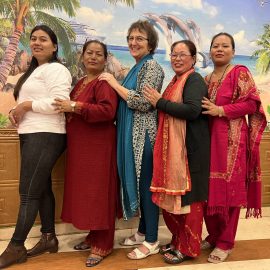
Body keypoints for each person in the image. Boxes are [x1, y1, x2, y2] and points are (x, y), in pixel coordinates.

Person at [0, 25, 72, 269]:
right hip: (33, 133)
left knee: (28, 191)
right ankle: (49, 238)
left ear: (54, 46)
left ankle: (16, 246)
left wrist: (26, 105)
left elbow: (58, 103)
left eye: (44, 39)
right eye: (33, 39)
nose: (37, 42)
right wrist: (16, 109)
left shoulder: (57, 69)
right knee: (40, 189)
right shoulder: (34, 71)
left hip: (47, 134)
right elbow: (25, 103)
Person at [98, 20, 164, 259]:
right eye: (131, 38)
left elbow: (143, 102)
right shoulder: (137, 67)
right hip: (129, 134)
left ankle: (152, 240)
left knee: (147, 188)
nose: (133, 43)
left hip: (144, 136)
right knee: (138, 184)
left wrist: (114, 83)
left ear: (150, 44)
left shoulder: (153, 67)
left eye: (139, 38)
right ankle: (142, 230)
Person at [201, 32, 267, 263]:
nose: (219, 49)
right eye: (215, 45)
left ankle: (226, 242)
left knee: (229, 192)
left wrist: (222, 110)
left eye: (225, 46)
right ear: (210, 51)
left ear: (233, 51)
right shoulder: (207, 79)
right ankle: (215, 234)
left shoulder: (240, 72)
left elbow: (252, 104)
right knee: (209, 192)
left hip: (232, 143)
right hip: (209, 142)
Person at [53, 40, 119, 267]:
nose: (92, 57)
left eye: (98, 54)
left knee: (100, 194)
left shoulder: (104, 83)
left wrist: (75, 107)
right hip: (82, 148)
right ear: (82, 56)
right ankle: (93, 236)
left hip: (99, 148)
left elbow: (108, 111)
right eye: (89, 53)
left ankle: (104, 243)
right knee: (88, 194)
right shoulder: (81, 82)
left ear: (105, 58)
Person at [144, 40, 210, 264]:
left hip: (190, 151)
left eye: (183, 54)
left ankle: (188, 248)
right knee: (176, 202)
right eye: (174, 54)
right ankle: (177, 240)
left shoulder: (194, 79)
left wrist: (159, 102)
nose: (177, 58)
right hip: (176, 152)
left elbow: (192, 110)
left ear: (193, 59)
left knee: (190, 202)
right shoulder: (176, 80)